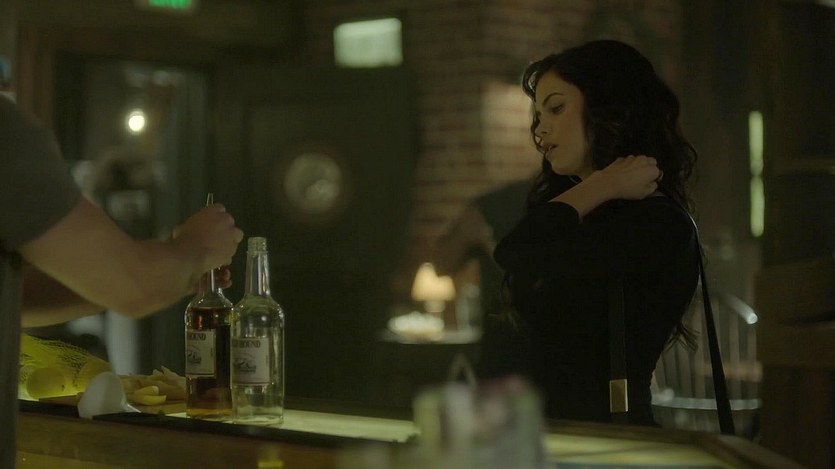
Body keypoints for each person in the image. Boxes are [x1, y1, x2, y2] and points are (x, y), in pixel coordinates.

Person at [1, 95, 243, 467]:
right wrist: (196, 248)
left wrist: (167, 271)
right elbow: (136, 288)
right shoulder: (8, 134)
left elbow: (23, 297)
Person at [492, 39, 699, 426]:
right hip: (551, 434)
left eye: (556, 108)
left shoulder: (655, 222)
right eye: (538, 115)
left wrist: (603, 184)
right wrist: (600, 187)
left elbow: (517, 251)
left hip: (606, 437)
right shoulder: (583, 212)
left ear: (607, 107)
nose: (540, 128)